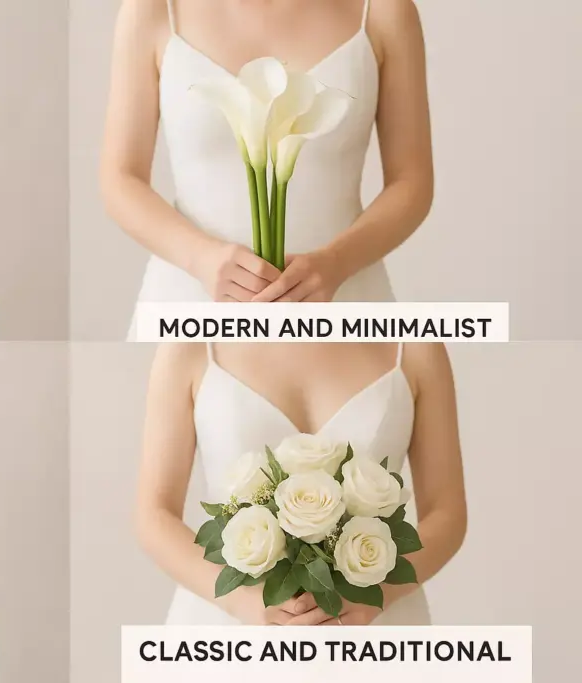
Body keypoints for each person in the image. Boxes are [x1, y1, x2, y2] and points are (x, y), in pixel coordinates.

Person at [101, 0, 433, 337]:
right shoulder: (153, 9)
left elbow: (412, 182)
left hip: (345, 305)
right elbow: (120, 178)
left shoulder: (382, 10)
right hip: (189, 307)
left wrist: (336, 263)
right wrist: (201, 259)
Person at [136, 342, 466, 625]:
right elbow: (154, 513)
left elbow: (446, 512)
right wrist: (244, 602)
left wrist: (378, 593)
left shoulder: (415, 347)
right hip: (226, 619)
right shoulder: (189, 347)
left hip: (374, 620)